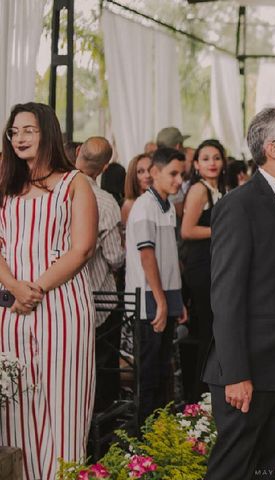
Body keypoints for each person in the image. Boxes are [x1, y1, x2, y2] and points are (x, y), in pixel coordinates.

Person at [202, 107, 275, 480]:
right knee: (232, 470)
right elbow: (226, 294)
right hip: (246, 371)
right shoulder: (240, 205)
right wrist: (235, 372)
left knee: (271, 469)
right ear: (274, 148)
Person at [0, 102, 98, 479]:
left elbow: (82, 248)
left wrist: (35, 288)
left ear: (48, 134)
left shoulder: (75, 183)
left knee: (63, 401)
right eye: (14, 131)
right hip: (11, 309)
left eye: (29, 130)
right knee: (14, 400)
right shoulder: (6, 185)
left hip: (61, 305)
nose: (20, 138)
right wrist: (13, 286)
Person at [125, 147, 188, 421]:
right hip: (149, 299)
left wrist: (178, 300)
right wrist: (162, 302)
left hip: (166, 296)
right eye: (173, 174)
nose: (178, 181)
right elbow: (146, 255)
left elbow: (169, 259)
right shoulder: (144, 207)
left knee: (163, 370)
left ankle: (160, 436)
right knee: (148, 376)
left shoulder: (167, 207)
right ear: (154, 173)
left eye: (181, 175)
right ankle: (142, 442)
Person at [75, 137, 126, 411]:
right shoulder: (106, 202)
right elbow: (115, 258)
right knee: (103, 370)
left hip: (62, 299)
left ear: (77, 152)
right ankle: (102, 435)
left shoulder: (54, 193)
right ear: (105, 167)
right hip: (101, 301)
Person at [180, 139, 226, 401]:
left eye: (216, 157)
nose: (212, 163)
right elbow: (187, 230)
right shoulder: (199, 190)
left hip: (215, 263)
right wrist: (222, 231)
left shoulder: (218, 188)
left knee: (214, 329)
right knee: (206, 329)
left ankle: (210, 391)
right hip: (201, 266)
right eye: (206, 158)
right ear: (196, 164)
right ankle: (198, 396)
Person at [121, 153, 153, 226]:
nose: (148, 175)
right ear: (133, 176)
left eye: (150, 170)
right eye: (140, 172)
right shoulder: (129, 205)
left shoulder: (159, 200)